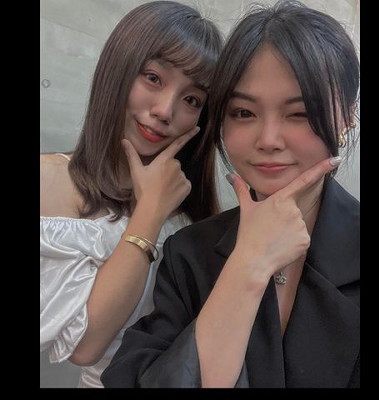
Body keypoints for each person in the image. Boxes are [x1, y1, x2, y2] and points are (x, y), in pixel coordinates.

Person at [101, 0, 360, 388]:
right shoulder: (188, 252)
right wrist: (247, 268)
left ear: (348, 117)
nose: (268, 140)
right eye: (243, 112)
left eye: (301, 113)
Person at [40, 1, 223, 388]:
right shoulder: (51, 180)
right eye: (153, 77)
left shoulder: (192, 210)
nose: (165, 110)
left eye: (192, 100)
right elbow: (85, 346)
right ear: (118, 68)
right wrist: (149, 214)